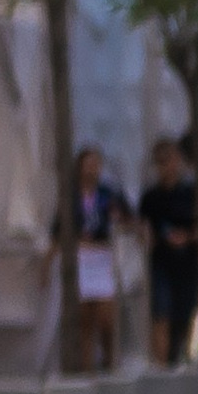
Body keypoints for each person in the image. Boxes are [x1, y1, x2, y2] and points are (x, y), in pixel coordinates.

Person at [139, 137, 198, 367]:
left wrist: (187, 237)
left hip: (188, 263)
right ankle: (162, 365)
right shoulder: (151, 197)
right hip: (162, 263)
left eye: (170, 160)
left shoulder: (191, 193)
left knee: (187, 316)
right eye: (161, 161)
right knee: (162, 314)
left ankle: (185, 360)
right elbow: (144, 229)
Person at [70, 146, 131, 374]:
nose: (92, 169)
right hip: (81, 257)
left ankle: (108, 360)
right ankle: (87, 368)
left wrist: (121, 219)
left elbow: (128, 218)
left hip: (102, 256)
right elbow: (60, 228)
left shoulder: (108, 194)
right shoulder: (71, 195)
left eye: (96, 164)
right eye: (88, 164)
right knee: (84, 318)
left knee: (106, 317)